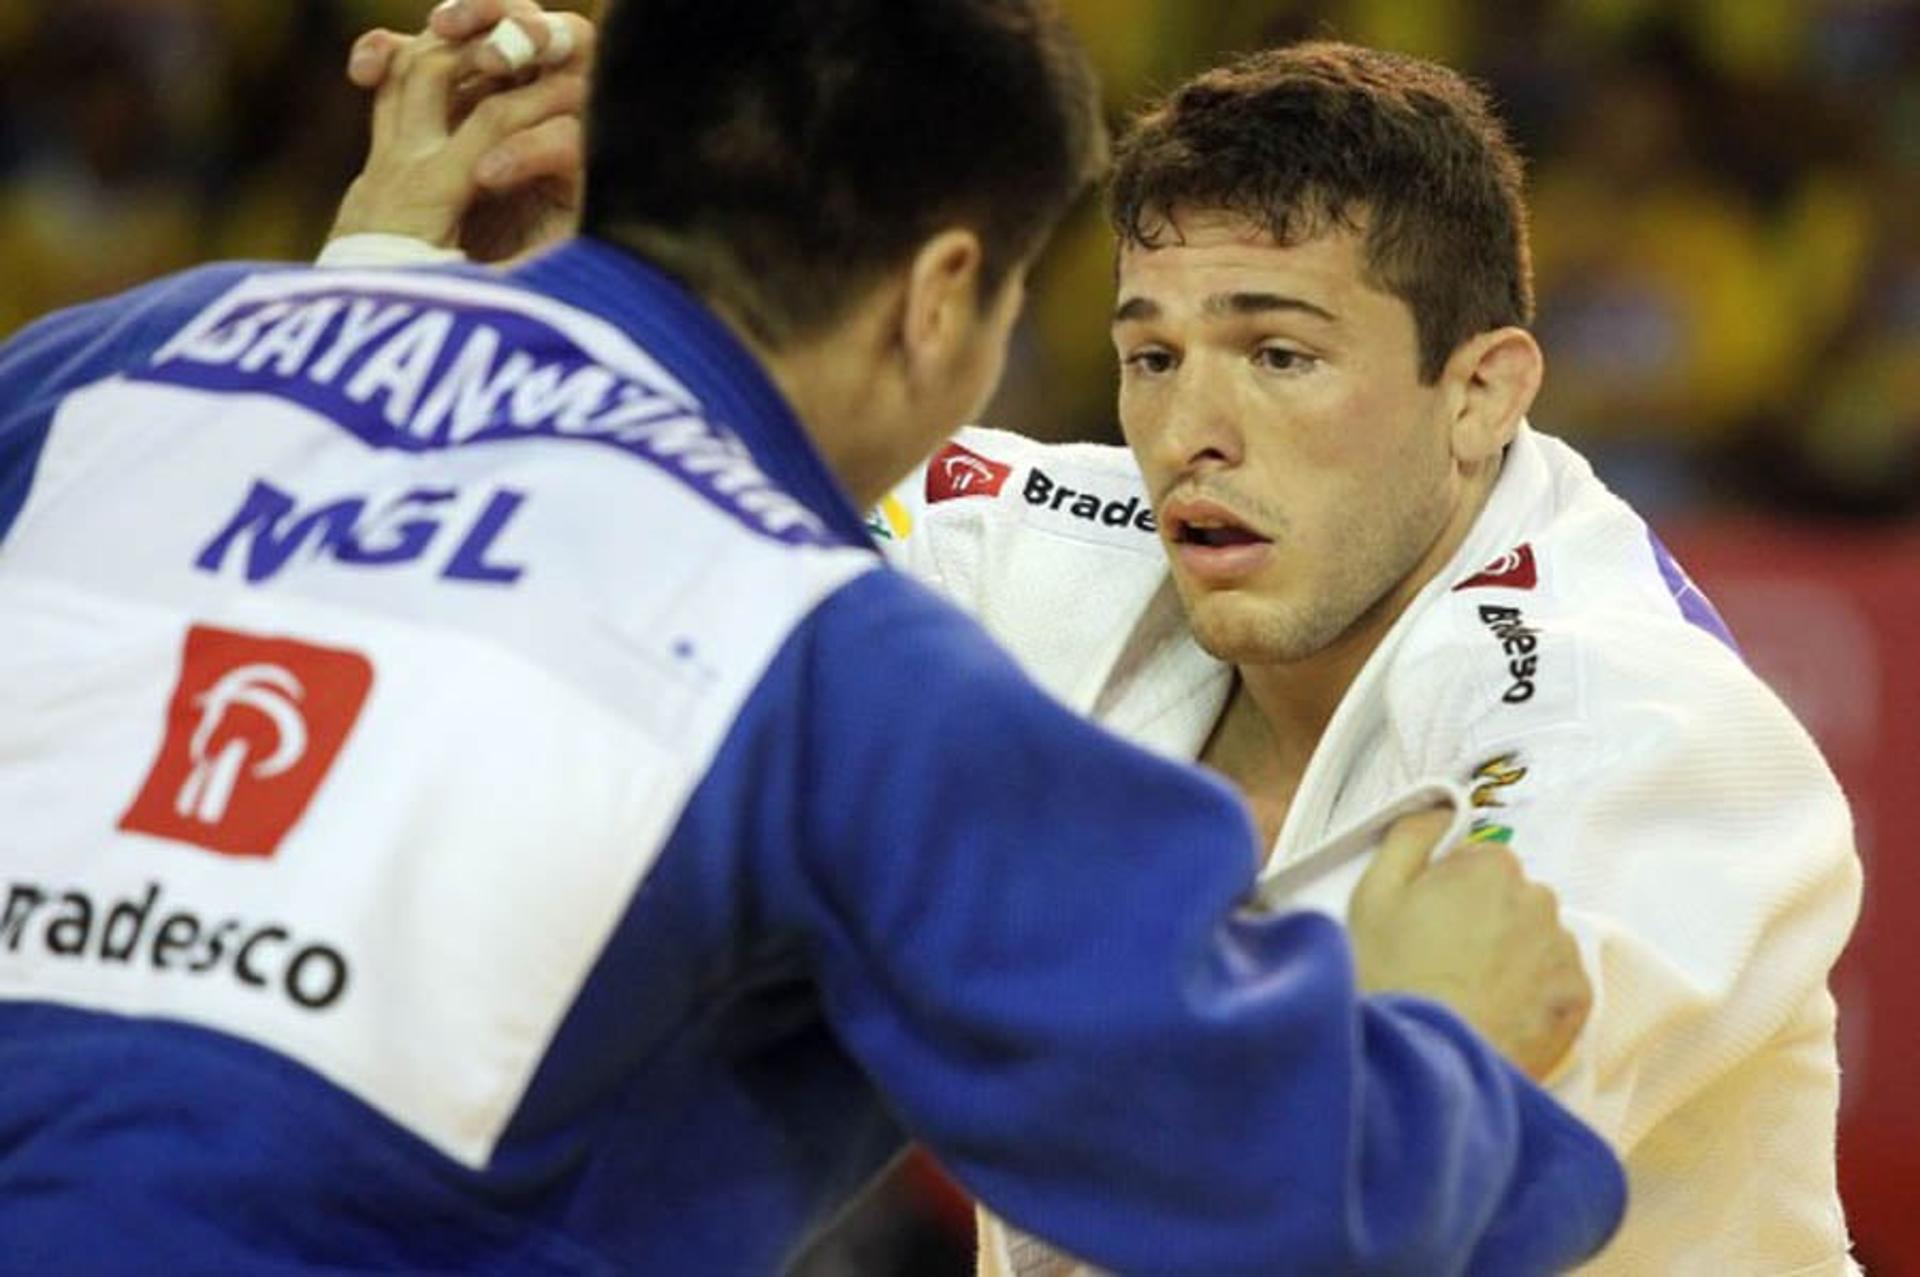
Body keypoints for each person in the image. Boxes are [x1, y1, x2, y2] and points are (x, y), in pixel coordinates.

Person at [0, 3, 1626, 1275]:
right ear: (940, 296)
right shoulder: (826, 661)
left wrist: (363, 291)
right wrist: (1435, 1047)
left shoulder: (92, 375)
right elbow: (1271, 1180)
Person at [330, 11, 1863, 1275]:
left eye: (1280, 353)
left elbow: (1341, 1211)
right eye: (1150, 353)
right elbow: (691, 509)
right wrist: (545, 288)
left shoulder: (1642, 739)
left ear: (1480, 394)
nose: (1192, 432)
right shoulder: (1078, 542)